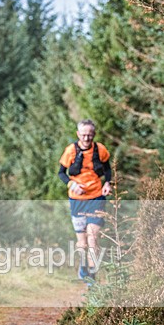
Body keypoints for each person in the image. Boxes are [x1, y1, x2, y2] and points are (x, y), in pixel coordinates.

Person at [57, 119, 112, 281]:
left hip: (96, 197)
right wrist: (71, 183)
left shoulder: (100, 149)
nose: (87, 138)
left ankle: (92, 278)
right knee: (82, 242)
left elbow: (108, 168)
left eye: (90, 135)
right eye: (83, 135)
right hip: (77, 200)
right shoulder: (70, 151)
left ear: (94, 134)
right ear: (78, 134)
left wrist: (107, 183)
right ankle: (83, 267)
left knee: (93, 238)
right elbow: (61, 173)